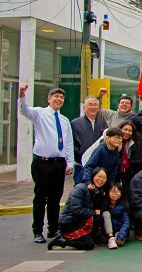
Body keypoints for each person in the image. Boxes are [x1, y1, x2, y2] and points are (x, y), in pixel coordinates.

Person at [18, 84, 74, 243]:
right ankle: (37, 230)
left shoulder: (64, 120)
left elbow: (68, 142)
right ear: (49, 99)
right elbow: (25, 111)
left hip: (59, 163)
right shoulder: (39, 114)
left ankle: (53, 229)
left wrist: (69, 162)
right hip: (42, 163)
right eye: (56, 97)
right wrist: (22, 95)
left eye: (61, 97)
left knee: (55, 198)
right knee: (40, 198)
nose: (59, 99)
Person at [47, 167, 111, 250]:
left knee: (99, 218)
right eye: (99, 176)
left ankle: (89, 237)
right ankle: (61, 241)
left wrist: (102, 196)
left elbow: (101, 210)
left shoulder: (98, 191)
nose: (101, 179)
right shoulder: (80, 188)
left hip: (81, 221)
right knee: (89, 245)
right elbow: (76, 210)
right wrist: (93, 212)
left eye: (104, 178)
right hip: (70, 223)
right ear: (93, 176)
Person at [71, 96, 108, 184]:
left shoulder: (103, 123)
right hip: (81, 165)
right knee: (80, 189)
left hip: (98, 167)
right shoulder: (75, 123)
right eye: (90, 105)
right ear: (84, 107)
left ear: (98, 108)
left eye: (95, 105)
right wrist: (79, 153)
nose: (93, 107)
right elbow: (71, 143)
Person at [105, 182, 131, 247]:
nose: (114, 194)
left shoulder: (124, 205)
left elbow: (126, 222)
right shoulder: (105, 204)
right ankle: (110, 237)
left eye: (117, 191)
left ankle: (117, 237)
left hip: (120, 230)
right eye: (112, 191)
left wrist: (121, 236)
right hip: (108, 232)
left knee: (119, 242)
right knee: (105, 214)